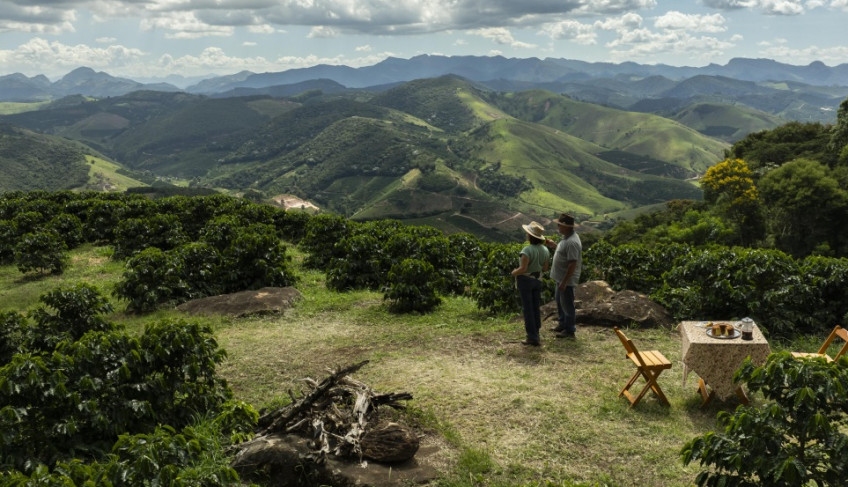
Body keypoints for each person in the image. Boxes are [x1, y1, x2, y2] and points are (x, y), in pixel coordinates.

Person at [511, 221, 550, 346]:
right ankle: (536, 333)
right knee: (535, 307)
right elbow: (545, 268)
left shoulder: (526, 250)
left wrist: (513, 273)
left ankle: (532, 337)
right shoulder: (545, 250)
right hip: (537, 280)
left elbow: (523, 268)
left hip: (526, 281)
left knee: (527, 308)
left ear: (529, 236)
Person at [545, 213, 582, 339]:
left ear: (566, 227)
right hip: (560, 278)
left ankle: (570, 330)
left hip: (565, 280)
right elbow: (564, 253)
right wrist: (554, 245)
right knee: (560, 302)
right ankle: (562, 324)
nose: (557, 227)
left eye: (559, 225)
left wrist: (565, 281)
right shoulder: (567, 237)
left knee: (567, 304)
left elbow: (572, 263)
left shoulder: (572, 242)